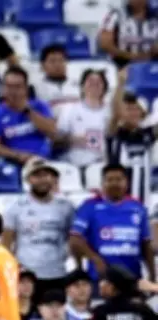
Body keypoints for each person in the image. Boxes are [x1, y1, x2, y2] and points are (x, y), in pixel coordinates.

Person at [70, 163, 154, 282]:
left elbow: (145, 243)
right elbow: (75, 239)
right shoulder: (89, 206)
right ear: (102, 183)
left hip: (132, 276)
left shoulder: (138, 207)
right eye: (110, 180)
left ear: (126, 182)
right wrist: (95, 259)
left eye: (119, 179)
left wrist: (153, 275)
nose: (114, 183)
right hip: (101, 278)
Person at [2, 158, 75, 295]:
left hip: (57, 271)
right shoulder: (15, 207)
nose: (42, 180)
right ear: (28, 179)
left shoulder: (66, 206)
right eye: (37, 175)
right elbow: (6, 243)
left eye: (46, 175)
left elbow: (73, 237)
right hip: (27, 274)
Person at [106, 68, 157, 204]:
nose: (132, 113)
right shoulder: (115, 134)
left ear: (142, 114)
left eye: (136, 109)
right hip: (117, 202)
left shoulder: (147, 134)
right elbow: (115, 114)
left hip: (143, 201)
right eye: (128, 109)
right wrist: (121, 84)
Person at [55, 69, 110, 169]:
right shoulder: (69, 109)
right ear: (82, 86)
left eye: (98, 82)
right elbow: (58, 139)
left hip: (102, 163)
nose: (94, 84)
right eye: (90, 81)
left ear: (104, 87)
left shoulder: (110, 111)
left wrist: (89, 140)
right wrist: (75, 140)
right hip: (73, 162)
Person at [81, 265, 158, 320]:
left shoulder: (99, 313)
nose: (100, 284)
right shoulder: (144, 310)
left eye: (103, 280)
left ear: (112, 287)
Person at [99, 0, 158, 68]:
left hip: (152, 63)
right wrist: (131, 56)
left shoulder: (156, 15)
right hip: (120, 63)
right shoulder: (115, 14)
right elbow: (105, 43)